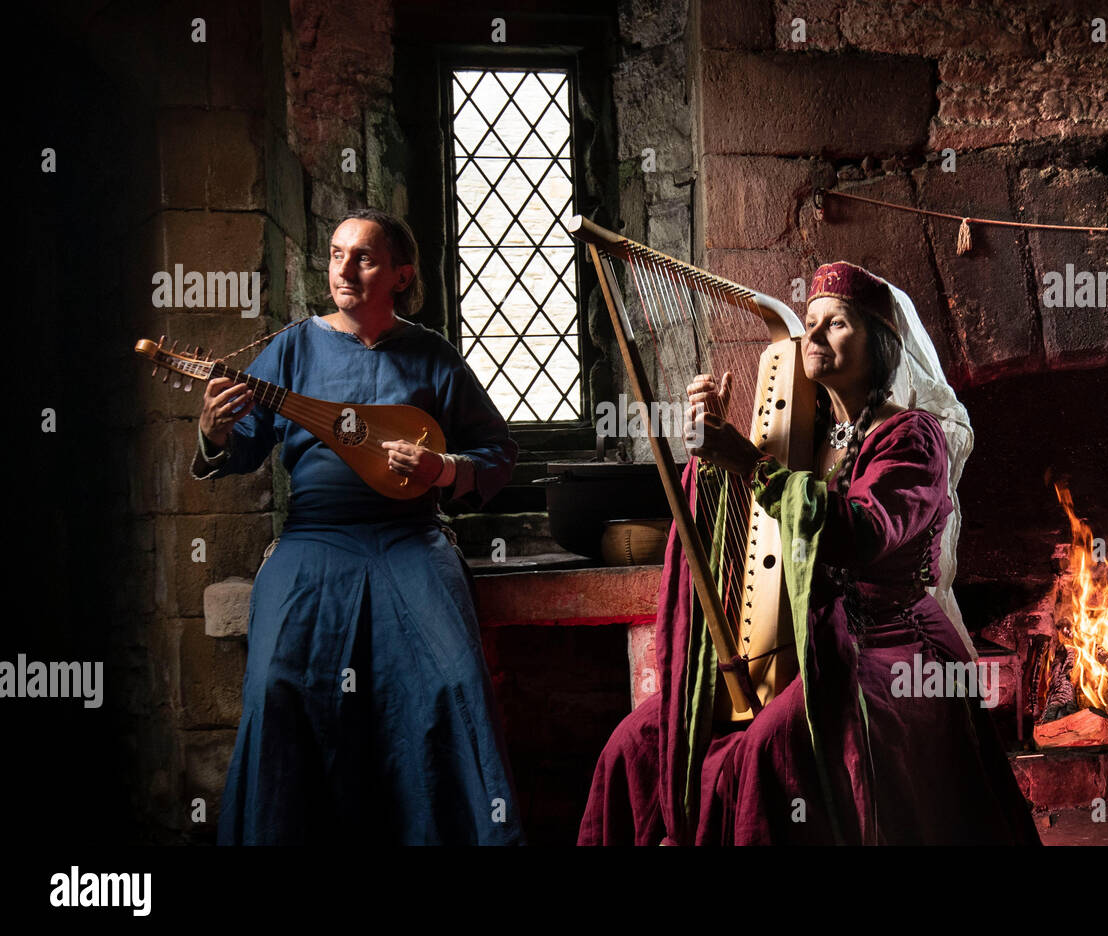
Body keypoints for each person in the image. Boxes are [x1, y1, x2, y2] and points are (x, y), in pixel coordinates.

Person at [578, 261, 1041, 845]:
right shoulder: (806, 431)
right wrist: (713, 454)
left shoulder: (911, 436)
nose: (813, 336)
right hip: (810, 636)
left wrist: (746, 462)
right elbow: (746, 520)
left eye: (836, 324)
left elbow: (861, 533)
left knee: (767, 748)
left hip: (891, 641)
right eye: (811, 323)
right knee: (641, 738)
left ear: (878, 344)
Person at [193, 208, 523, 844]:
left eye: (364, 257)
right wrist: (212, 433)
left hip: (409, 540)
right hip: (313, 540)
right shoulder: (292, 347)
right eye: (337, 253)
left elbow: (497, 453)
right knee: (276, 685)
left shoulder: (433, 357)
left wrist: (443, 468)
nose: (344, 268)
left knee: (453, 677)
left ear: (400, 276)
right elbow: (238, 451)